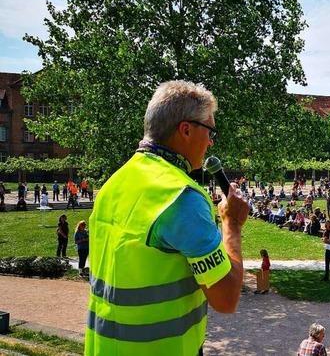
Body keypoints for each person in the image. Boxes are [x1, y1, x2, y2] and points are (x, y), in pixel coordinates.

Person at [85, 81, 249, 356]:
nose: (211, 142)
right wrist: (231, 224)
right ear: (186, 130)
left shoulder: (114, 183)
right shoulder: (182, 197)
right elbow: (227, 298)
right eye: (210, 131)